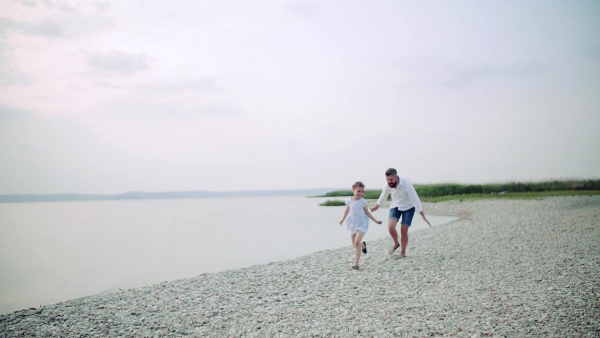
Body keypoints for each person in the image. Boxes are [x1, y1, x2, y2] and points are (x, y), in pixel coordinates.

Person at [370, 168, 431, 258]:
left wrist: (422, 215)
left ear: (396, 177)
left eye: (391, 179)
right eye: (387, 180)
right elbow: (383, 195)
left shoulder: (406, 184)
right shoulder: (387, 185)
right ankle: (396, 244)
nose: (389, 182)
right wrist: (377, 206)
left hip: (408, 208)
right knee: (390, 227)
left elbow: (415, 199)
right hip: (395, 206)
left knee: (403, 230)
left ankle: (402, 253)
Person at [339, 181, 383, 270]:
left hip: (362, 222)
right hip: (351, 222)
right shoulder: (349, 201)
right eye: (358, 191)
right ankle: (363, 245)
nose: (360, 193)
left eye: (362, 191)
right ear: (353, 190)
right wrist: (342, 220)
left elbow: (367, 213)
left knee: (356, 242)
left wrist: (376, 221)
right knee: (355, 245)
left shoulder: (363, 202)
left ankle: (356, 264)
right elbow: (346, 211)